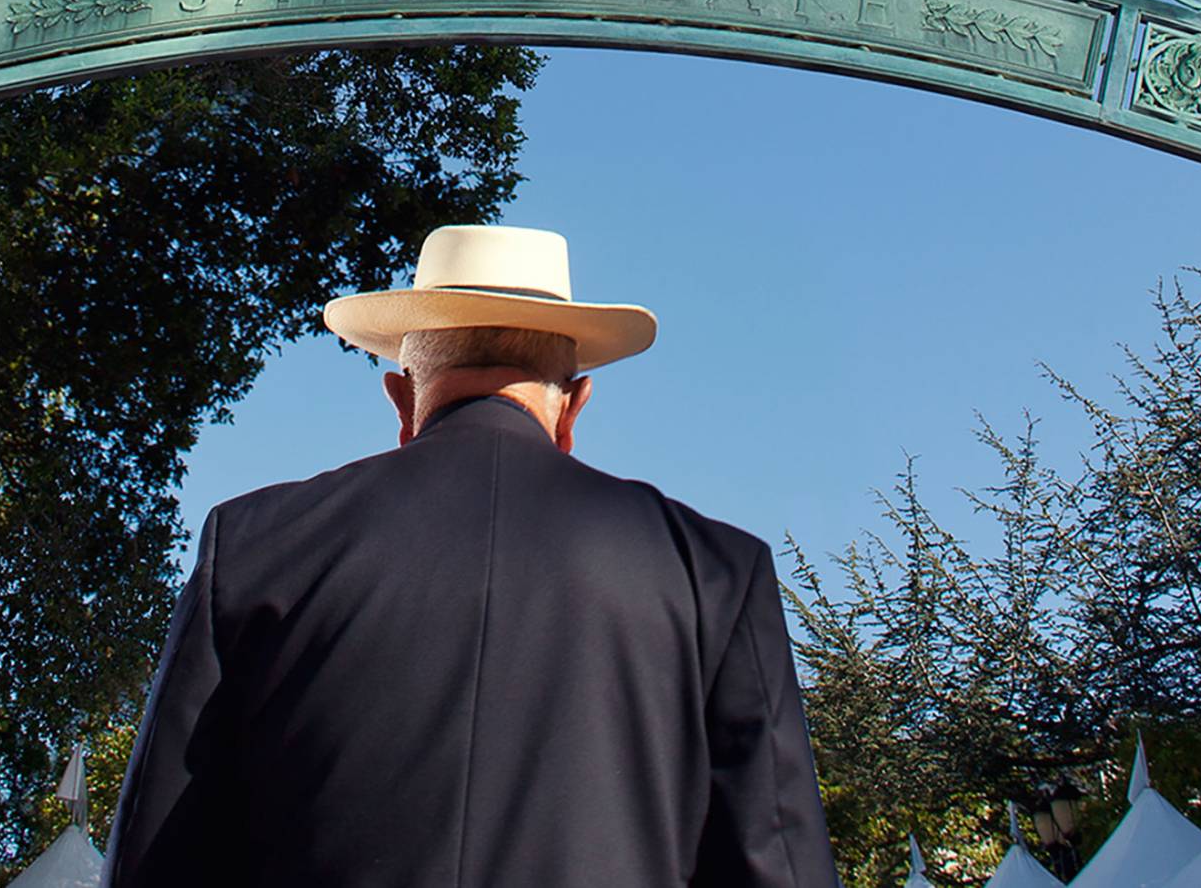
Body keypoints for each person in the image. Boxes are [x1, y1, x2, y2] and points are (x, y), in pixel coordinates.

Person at [102, 223, 838, 887]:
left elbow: (158, 865)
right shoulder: (713, 573)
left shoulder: (256, 546)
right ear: (574, 406)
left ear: (400, 399)